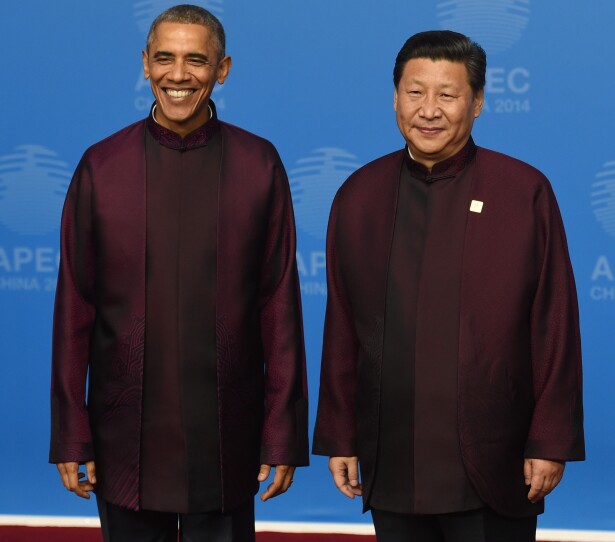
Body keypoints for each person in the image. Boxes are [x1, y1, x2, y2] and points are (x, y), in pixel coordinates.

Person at [49, 5, 309, 541]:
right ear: (145, 63)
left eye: (197, 60)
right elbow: (74, 308)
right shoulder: (101, 166)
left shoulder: (259, 164)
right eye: (165, 58)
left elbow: (279, 308)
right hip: (123, 437)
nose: (179, 74)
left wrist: (281, 432)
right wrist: (72, 433)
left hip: (228, 434)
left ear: (223, 69)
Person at [312, 30, 584, 542]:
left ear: (477, 102)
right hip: (391, 455)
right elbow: (342, 324)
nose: (429, 110)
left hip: (495, 457)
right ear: (396, 97)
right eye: (415, 92)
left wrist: (550, 439)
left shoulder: (523, 191)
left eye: (448, 94)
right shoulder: (360, 195)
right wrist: (340, 433)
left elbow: (554, 324)